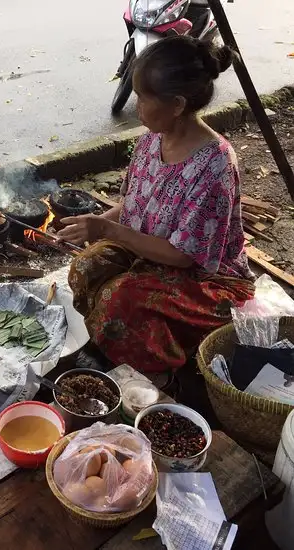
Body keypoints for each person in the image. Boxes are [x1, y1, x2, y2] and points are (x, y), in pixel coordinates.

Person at [57, 35, 255, 374]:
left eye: (143, 98)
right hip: (148, 252)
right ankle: (108, 340)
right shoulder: (152, 139)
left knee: (121, 299)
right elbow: (132, 203)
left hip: (206, 277)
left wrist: (106, 229)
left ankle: (157, 365)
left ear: (177, 104)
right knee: (86, 267)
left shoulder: (215, 163)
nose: (136, 107)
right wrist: (93, 224)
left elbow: (184, 255)